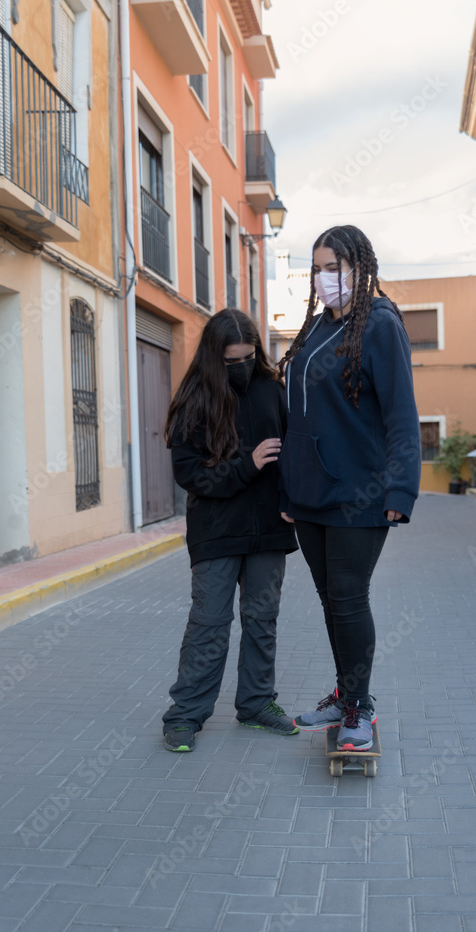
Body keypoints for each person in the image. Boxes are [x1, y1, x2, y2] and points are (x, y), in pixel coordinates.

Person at [278, 225, 421, 752]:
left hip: (360, 495)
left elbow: (403, 416)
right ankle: (345, 694)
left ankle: (360, 709)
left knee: (349, 599)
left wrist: (400, 492)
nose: (324, 279)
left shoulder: (381, 325)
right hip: (309, 497)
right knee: (330, 602)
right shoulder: (314, 330)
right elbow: (297, 417)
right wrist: (288, 493)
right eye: (317, 269)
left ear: (360, 269)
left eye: (334, 268)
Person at [161, 308, 299, 752]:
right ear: (213, 356)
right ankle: (184, 715)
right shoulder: (194, 398)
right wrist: (247, 465)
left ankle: (257, 704)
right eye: (231, 360)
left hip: (268, 531)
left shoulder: (273, 391)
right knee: (209, 623)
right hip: (216, 531)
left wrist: (293, 502)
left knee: (263, 621)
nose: (240, 367)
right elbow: (189, 474)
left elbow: (294, 453)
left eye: (247, 357)